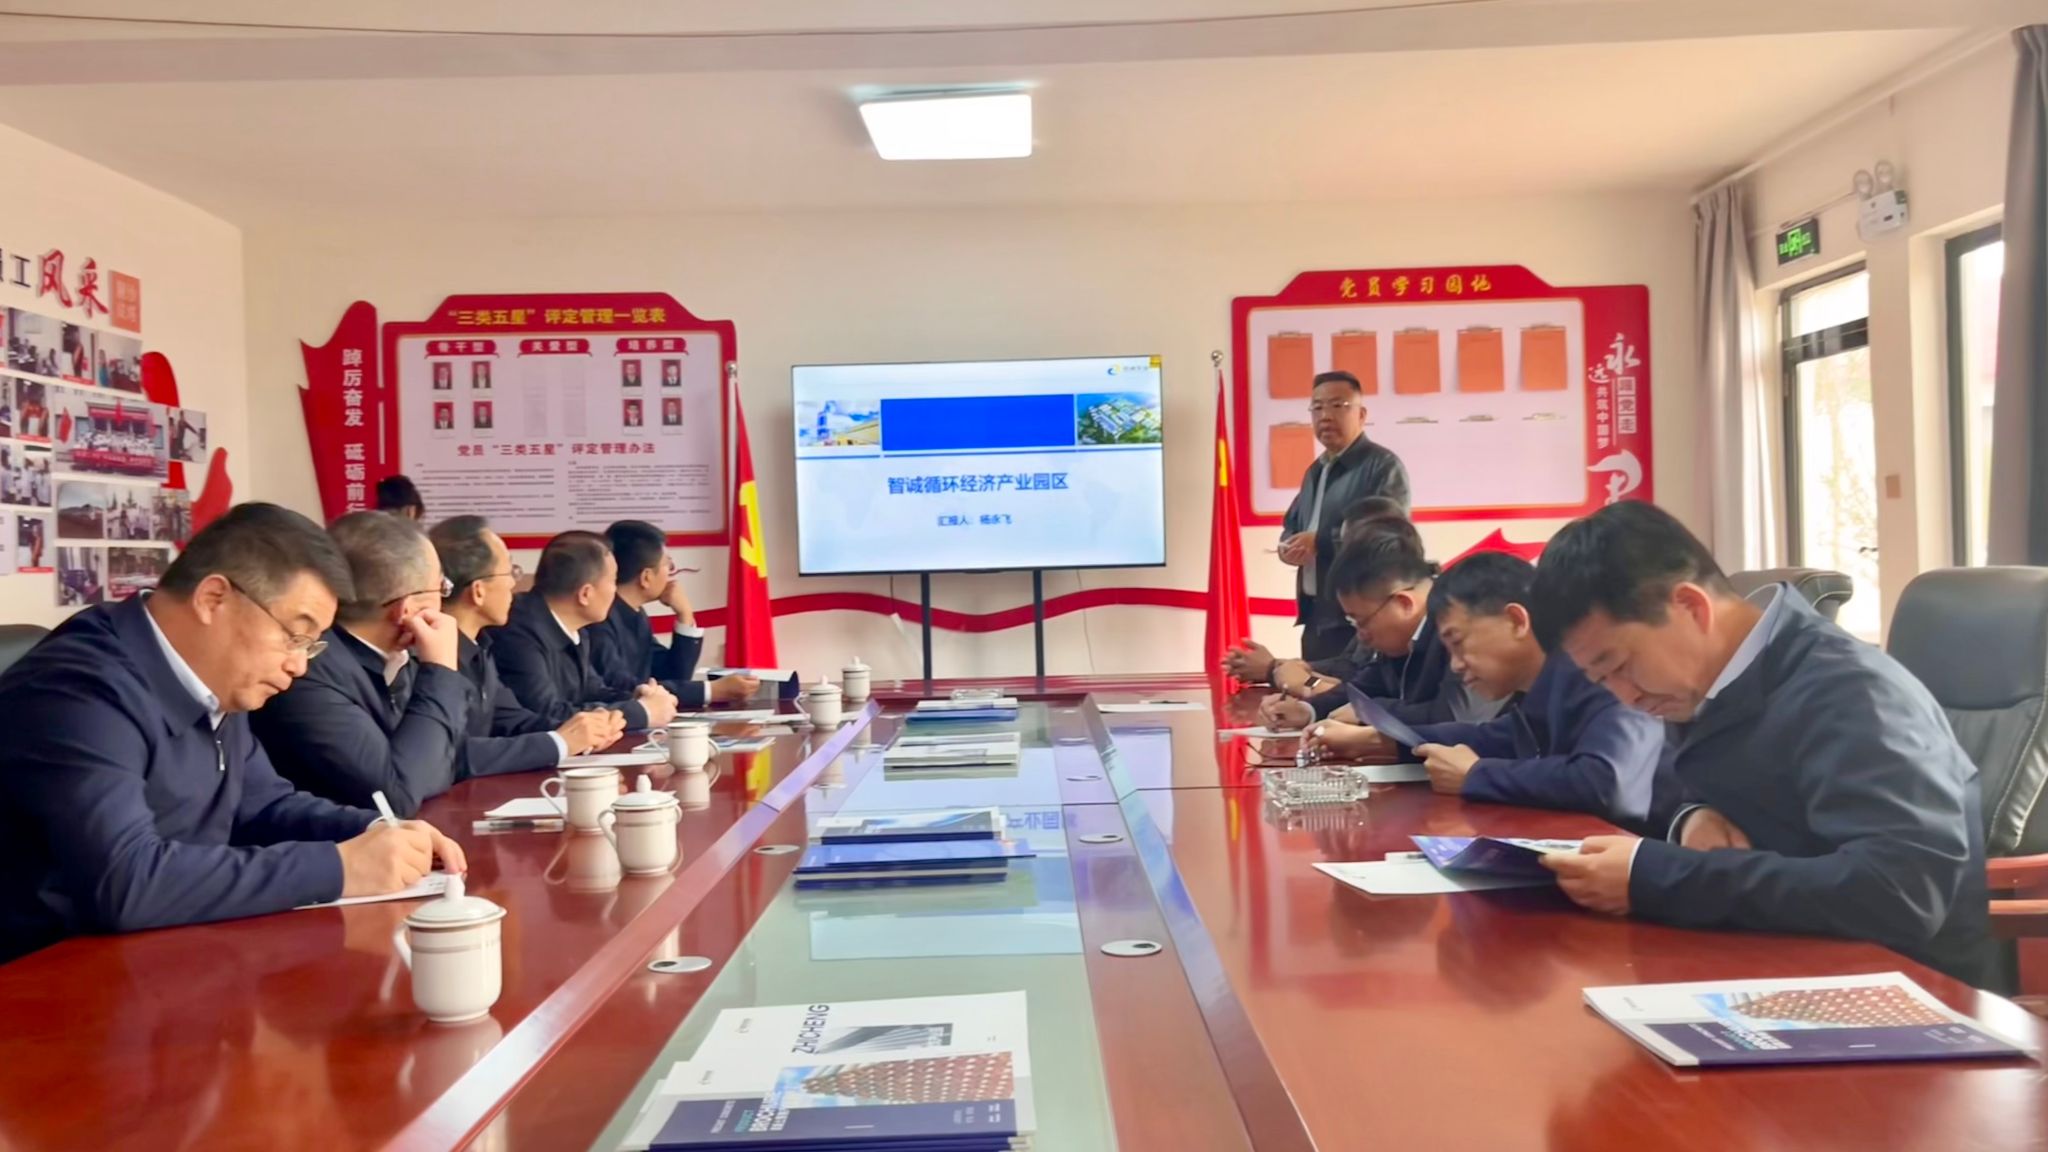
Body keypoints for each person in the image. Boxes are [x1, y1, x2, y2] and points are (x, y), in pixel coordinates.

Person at [1529, 502, 1993, 987]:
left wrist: (1655, 879)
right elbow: (1682, 795)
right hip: (1774, 961)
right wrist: (1694, 817)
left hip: (1898, 992)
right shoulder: (1702, 685)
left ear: (1690, 607)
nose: (1626, 696)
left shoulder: (1852, 693)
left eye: (1621, 666)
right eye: (1602, 680)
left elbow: (1900, 894)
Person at [0, 503, 465, 964]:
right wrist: (341, 867)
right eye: (293, 635)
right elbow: (126, 882)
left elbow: (263, 804)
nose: (299, 665)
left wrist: (377, 832)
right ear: (213, 598)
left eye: (310, 645)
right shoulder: (79, 690)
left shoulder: (215, 676)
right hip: (48, 975)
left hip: (167, 954)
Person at [1309, 552, 1667, 828]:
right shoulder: (1543, 683)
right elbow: (1494, 737)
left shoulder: (1600, 670)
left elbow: (1608, 783)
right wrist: (1385, 741)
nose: (1455, 665)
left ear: (1515, 621)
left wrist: (1477, 775)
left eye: (1458, 642)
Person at [249, 512, 470, 818]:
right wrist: (441, 669)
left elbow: (448, 756)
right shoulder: (308, 670)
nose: (444, 601)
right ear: (407, 609)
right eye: (441, 588)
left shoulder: (395, 658)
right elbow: (399, 795)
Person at [430, 515, 623, 778]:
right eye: (510, 572)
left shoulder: (479, 645)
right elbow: (449, 755)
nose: (514, 583)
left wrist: (585, 731)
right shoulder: (432, 656)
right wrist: (560, 742)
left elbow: (513, 720)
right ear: (478, 591)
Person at [1261, 532, 1500, 732]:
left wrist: (1372, 713)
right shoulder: (1399, 635)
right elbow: (1364, 689)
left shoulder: (1461, 623)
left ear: (1404, 604)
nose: (1360, 635)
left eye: (1361, 621)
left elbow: (1458, 716)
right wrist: (1307, 711)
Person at [1279, 371, 1410, 662]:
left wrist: (1321, 542)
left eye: (1338, 405)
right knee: (1310, 688)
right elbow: (1293, 524)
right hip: (1316, 618)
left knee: (1350, 690)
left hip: (1361, 621)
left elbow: (1389, 537)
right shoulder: (1315, 471)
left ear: (1361, 415)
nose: (1325, 416)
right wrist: (1287, 547)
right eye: (1317, 407)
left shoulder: (1382, 466)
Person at [488, 530, 678, 731]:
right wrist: (640, 713)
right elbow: (547, 712)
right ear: (585, 594)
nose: (615, 591)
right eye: (613, 581)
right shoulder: (518, 632)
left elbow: (591, 690)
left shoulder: (575, 627)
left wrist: (636, 697)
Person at [1225, 495, 1412, 694]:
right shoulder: (1375, 600)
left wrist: (1280, 673)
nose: (1340, 558)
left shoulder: (1402, 611)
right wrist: (1283, 669)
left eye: (1347, 548)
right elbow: (1350, 672)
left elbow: (1360, 693)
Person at [587, 520, 758, 710]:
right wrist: (711, 690)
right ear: (646, 577)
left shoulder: (635, 613)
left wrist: (685, 615)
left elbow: (672, 674)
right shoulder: (598, 620)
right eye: (668, 565)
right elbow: (625, 688)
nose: (671, 573)